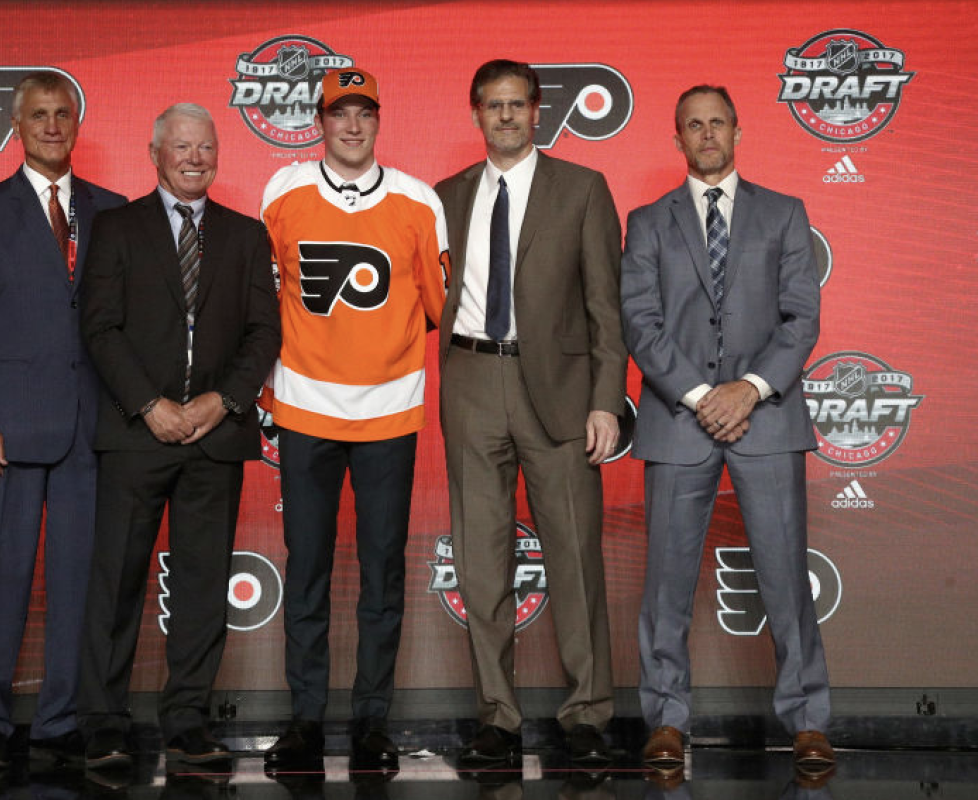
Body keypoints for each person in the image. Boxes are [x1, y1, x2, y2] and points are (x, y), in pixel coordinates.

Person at [621, 85, 832, 774]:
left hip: (766, 419)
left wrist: (748, 389)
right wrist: (701, 394)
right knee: (666, 585)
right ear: (675, 138)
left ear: (737, 131)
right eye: (692, 125)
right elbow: (639, 323)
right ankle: (665, 721)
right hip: (679, 421)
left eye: (716, 123)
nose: (705, 134)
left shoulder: (785, 213)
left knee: (783, 580)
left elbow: (800, 317)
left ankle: (807, 722)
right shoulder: (648, 222)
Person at [434, 59, 627, 768]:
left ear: (537, 111)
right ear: (476, 114)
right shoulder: (444, 196)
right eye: (493, 105)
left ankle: (584, 713)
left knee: (573, 556)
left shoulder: (581, 189)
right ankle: (497, 716)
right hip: (471, 381)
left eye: (518, 104)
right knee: (481, 565)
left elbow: (606, 309)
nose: (506, 116)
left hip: (563, 391)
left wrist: (607, 401)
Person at [76, 103, 280, 773]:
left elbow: (263, 333)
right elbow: (99, 328)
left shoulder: (247, 235)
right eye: (182, 147)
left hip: (213, 439)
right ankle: (103, 722)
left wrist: (222, 403)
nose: (195, 158)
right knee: (116, 584)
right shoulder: (115, 228)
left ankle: (187, 723)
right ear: (155, 153)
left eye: (205, 147)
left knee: (200, 587)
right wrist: (148, 404)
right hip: (138, 436)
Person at [259, 68, 449, 774]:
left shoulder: (416, 200)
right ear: (319, 120)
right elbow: (265, 294)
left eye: (364, 112)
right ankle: (305, 722)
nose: (352, 125)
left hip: (388, 419)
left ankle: (371, 724)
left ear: (378, 121)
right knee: (305, 572)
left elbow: (437, 304)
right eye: (340, 113)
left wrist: (377, 356)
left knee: (381, 577)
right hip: (304, 413)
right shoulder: (281, 192)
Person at [0, 71, 126, 771]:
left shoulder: (112, 211)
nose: (53, 126)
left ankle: (60, 719)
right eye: (39, 115)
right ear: (17, 127)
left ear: (77, 122)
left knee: (80, 582)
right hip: (5, 433)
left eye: (63, 114)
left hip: (90, 430)